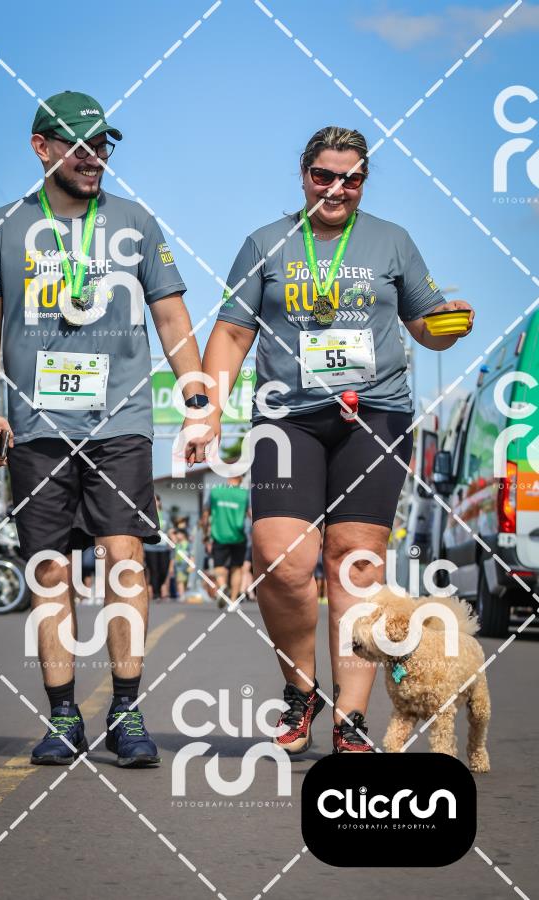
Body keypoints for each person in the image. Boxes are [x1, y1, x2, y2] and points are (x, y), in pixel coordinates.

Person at [202, 126, 474, 753]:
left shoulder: (392, 241)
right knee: (281, 559)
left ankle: (350, 719)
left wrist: (446, 327)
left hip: (374, 414)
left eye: (351, 178)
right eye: (323, 175)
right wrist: (206, 411)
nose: (336, 188)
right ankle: (300, 691)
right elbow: (233, 334)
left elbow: (424, 323)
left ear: (364, 181)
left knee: (354, 560)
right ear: (304, 175)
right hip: (286, 416)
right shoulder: (265, 243)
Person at [0, 91, 211, 767]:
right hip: (36, 425)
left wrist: (197, 399)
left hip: (119, 420)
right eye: (78, 146)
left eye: (102, 145)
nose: (93, 157)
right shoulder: (1, 227)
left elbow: (171, 318)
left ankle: (127, 712)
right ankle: (63, 716)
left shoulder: (135, 222)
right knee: (49, 569)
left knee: (123, 559)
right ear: (41, 148)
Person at [201, 475, 250, 609]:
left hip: (219, 535)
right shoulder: (244, 494)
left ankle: (222, 585)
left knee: (219, 565)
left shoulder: (216, 491)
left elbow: (205, 514)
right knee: (236, 568)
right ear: (241, 477)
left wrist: (205, 533)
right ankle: (233, 602)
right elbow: (251, 515)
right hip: (238, 536)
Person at [144, 495, 172, 601]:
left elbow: (170, 529)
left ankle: (159, 587)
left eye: (157, 500)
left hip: (164, 547)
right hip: (150, 547)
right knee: (154, 570)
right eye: (153, 500)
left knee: (164, 569)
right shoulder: (146, 514)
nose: (155, 502)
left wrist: (172, 540)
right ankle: (156, 593)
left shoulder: (166, 515)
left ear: (160, 502)